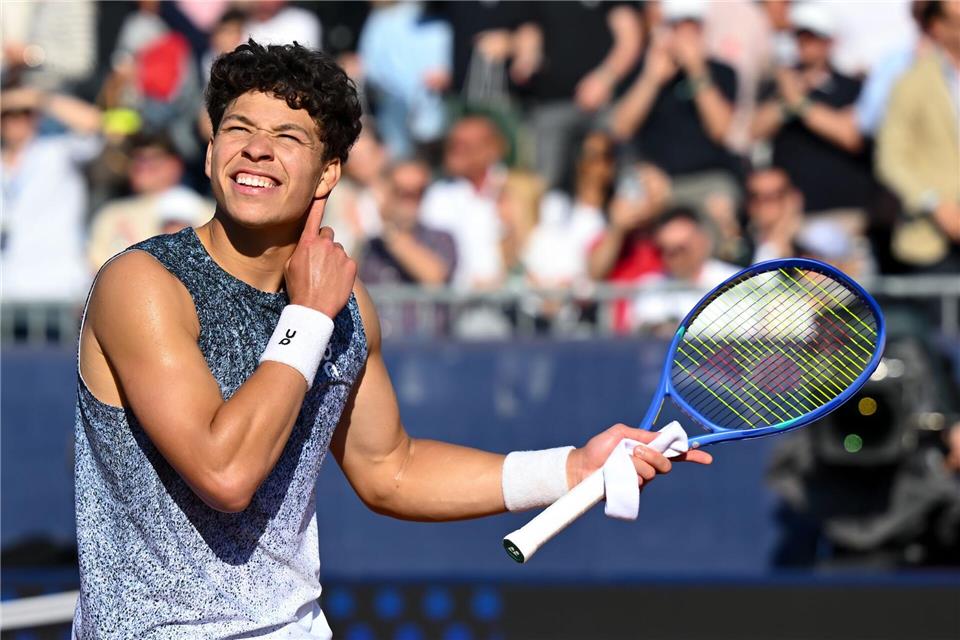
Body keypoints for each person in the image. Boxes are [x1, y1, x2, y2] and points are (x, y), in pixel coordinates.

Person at [72, 40, 714, 637]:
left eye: (287, 136)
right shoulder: (143, 283)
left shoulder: (344, 304)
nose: (257, 149)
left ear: (327, 175)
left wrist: (571, 468)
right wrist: (309, 320)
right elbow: (226, 471)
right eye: (238, 129)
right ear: (211, 151)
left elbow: (390, 470)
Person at [750, 3, 872, 218]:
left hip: (844, 209)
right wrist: (786, 102)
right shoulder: (778, 87)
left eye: (813, 38)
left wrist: (800, 103)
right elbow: (754, 131)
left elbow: (850, 135)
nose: (805, 45)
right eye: (800, 38)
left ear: (829, 42)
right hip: (793, 214)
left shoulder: (852, 86)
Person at [876, 0, 960, 272]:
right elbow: (890, 159)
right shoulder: (911, 82)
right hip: (932, 240)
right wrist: (934, 204)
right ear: (938, 27)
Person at [0, 84, 102, 303]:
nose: (15, 121)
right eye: (7, 115)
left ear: (35, 117)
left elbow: (93, 122)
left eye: (24, 113)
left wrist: (37, 97)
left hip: (60, 285)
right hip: (7, 286)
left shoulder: (56, 150)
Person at [87, 131, 214, 270]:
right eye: (137, 159)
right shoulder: (111, 213)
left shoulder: (206, 211)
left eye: (153, 159)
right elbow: (96, 267)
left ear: (175, 164)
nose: (143, 166)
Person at [420, 114, 508, 290]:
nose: (455, 153)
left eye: (466, 146)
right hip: (457, 299)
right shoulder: (438, 195)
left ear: (492, 149)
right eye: (452, 145)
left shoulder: (516, 189)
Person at [631, 206, 739, 334]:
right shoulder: (650, 286)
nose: (673, 257)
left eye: (681, 249)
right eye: (665, 250)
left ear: (703, 242)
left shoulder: (737, 280)